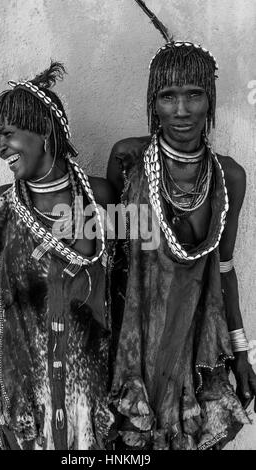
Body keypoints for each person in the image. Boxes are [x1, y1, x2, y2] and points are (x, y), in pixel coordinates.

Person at [107, 0, 256, 450]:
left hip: (193, 340)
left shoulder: (228, 175)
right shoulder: (129, 158)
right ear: (152, 103)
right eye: (168, 96)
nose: (182, 109)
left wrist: (242, 352)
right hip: (130, 339)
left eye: (194, 94)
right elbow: (110, 253)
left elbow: (224, 269)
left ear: (211, 99)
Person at [0, 61, 115, 450]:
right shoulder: (4, 205)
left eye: (7, 134)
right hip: (22, 387)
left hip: (89, 387)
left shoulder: (101, 197)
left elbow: (128, 282)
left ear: (43, 129)